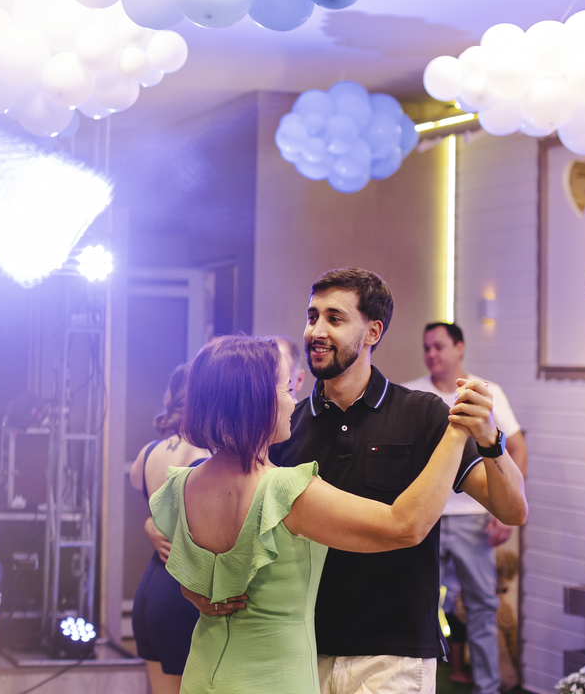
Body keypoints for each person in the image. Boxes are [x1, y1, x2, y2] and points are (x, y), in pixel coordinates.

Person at [187, 268, 528, 694]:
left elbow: (512, 510)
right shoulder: (284, 427)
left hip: (393, 652)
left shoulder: (422, 415)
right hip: (300, 651)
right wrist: (195, 583)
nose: (316, 331)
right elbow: (222, 509)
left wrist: (491, 441)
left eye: (334, 318)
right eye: (312, 316)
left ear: (372, 332)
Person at [403, 322, 528, 693]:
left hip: (473, 518)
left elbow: (516, 448)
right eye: (426, 347)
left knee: (481, 607)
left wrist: (502, 509)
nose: (431, 354)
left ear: (459, 348)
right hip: (425, 517)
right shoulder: (412, 394)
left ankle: (487, 687)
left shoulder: (484, 392)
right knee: (417, 604)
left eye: (439, 346)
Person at [129, 364, 211, 694]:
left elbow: (139, 484)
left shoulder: (148, 452)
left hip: (150, 591)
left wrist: (151, 522)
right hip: (181, 594)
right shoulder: (205, 454)